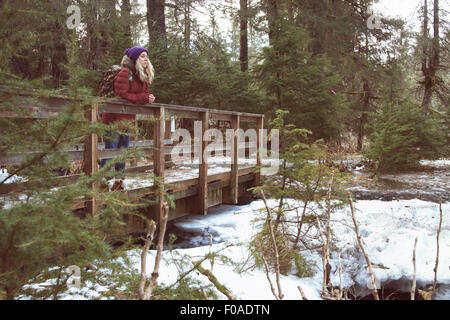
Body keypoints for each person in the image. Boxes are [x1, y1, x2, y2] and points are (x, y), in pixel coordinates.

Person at [100, 46, 156, 172]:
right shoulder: (125, 73)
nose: (146, 59)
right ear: (135, 59)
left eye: (147, 56)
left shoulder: (142, 75)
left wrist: (148, 97)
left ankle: (119, 182)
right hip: (113, 120)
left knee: (123, 154)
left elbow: (141, 95)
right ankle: (104, 182)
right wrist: (143, 97)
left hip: (128, 121)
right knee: (110, 153)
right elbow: (122, 95)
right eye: (142, 57)